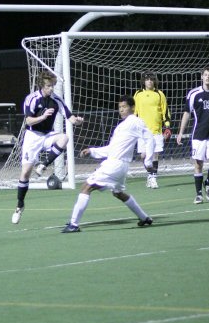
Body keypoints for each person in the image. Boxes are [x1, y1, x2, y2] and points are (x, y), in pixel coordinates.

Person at [62, 95, 155, 233]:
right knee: (118, 193)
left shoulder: (135, 121)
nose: (121, 110)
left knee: (86, 187)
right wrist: (92, 151)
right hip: (120, 165)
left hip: (115, 165)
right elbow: (112, 149)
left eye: (124, 107)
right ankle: (144, 218)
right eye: (120, 107)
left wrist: (148, 159)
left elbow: (150, 138)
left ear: (133, 108)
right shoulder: (121, 126)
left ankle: (74, 224)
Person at [12, 72, 84, 224]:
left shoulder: (56, 100)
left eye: (52, 86)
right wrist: (43, 117)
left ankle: (43, 165)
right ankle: (19, 205)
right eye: (48, 86)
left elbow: (70, 117)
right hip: (32, 136)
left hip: (47, 135)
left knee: (64, 138)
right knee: (25, 173)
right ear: (41, 86)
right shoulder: (31, 99)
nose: (51, 89)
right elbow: (28, 121)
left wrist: (78, 121)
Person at [176, 68, 209, 204]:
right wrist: (181, 132)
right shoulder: (194, 94)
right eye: (205, 75)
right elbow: (187, 113)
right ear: (201, 77)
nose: (208, 77)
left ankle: (208, 182)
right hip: (198, 134)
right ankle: (198, 194)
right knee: (198, 164)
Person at [133, 72, 171, 189]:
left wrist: (167, 126)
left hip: (156, 130)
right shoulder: (138, 94)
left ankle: (153, 178)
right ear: (143, 81)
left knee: (155, 155)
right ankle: (150, 174)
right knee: (144, 156)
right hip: (142, 131)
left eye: (151, 79)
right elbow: (135, 111)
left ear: (154, 81)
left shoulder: (159, 94)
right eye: (147, 79)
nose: (149, 81)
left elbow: (165, 111)